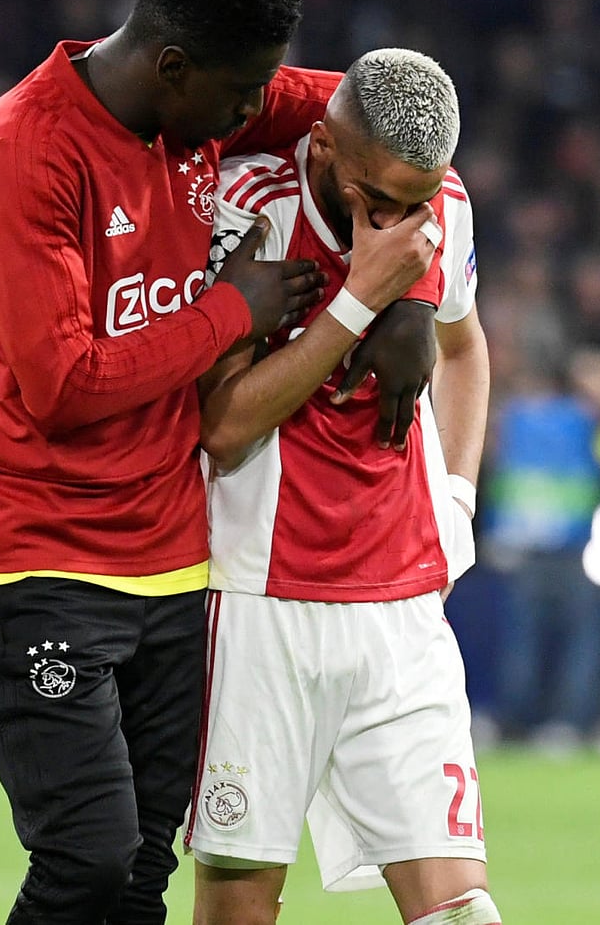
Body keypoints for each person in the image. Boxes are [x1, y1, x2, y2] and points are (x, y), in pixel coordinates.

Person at [0, 0, 436, 925]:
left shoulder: (201, 97)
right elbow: (65, 384)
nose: (260, 112)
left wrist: (414, 294)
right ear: (173, 65)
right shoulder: (23, 154)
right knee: (86, 852)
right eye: (244, 92)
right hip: (34, 551)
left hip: (169, 557)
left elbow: (397, 138)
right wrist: (232, 312)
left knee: (138, 875)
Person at [185, 49, 499, 925]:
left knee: (462, 911)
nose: (402, 222)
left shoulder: (450, 209)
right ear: (321, 147)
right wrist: (359, 302)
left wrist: (461, 497)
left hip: (402, 608)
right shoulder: (249, 213)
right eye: (378, 199)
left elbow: (467, 348)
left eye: (418, 200)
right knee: (240, 907)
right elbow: (224, 425)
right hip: (259, 603)